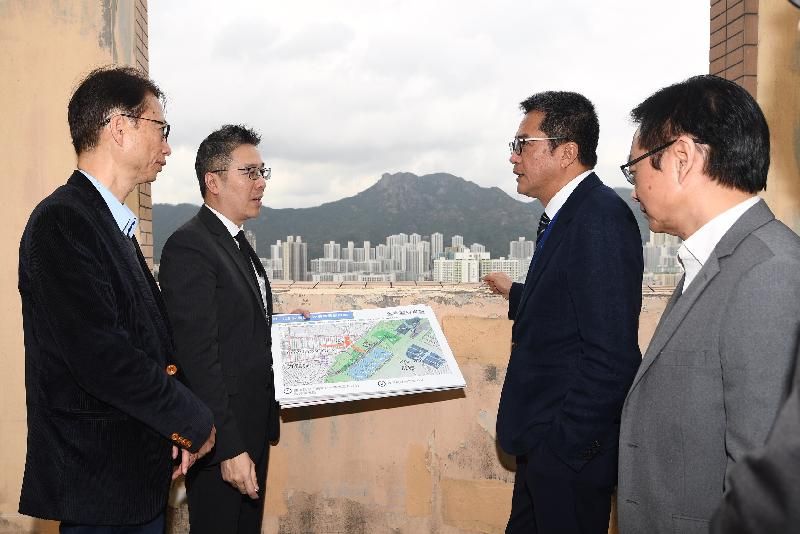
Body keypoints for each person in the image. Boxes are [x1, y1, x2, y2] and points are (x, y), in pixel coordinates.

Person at [17, 66, 216, 533]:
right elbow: (103, 358)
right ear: (119, 127)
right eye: (160, 128)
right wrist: (191, 419)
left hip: (133, 478)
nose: (167, 147)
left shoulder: (111, 226)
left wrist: (173, 425)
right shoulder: (62, 222)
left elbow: (151, 345)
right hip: (99, 485)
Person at [617, 74, 800, 533]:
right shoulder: (715, 260)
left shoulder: (769, 275)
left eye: (634, 168)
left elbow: (769, 495)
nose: (634, 190)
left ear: (680, 159)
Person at [483, 91, 643, 534]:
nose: (513, 157)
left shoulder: (600, 219)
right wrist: (519, 294)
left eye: (523, 144)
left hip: (566, 455)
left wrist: (563, 448)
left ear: (566, 152)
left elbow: (612, 354)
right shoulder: (567, 215)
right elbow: (570, 304)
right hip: (543, 445)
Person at [160, 125, 306, 534]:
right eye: (250, 172)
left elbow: (233, 323)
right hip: (223, 437)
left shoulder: (235, 242)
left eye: (263, 172)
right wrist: (229, 447)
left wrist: (281, 323)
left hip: (252, 426)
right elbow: (198, 355)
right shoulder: (190, 246)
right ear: (213, 181)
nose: (261, 183)